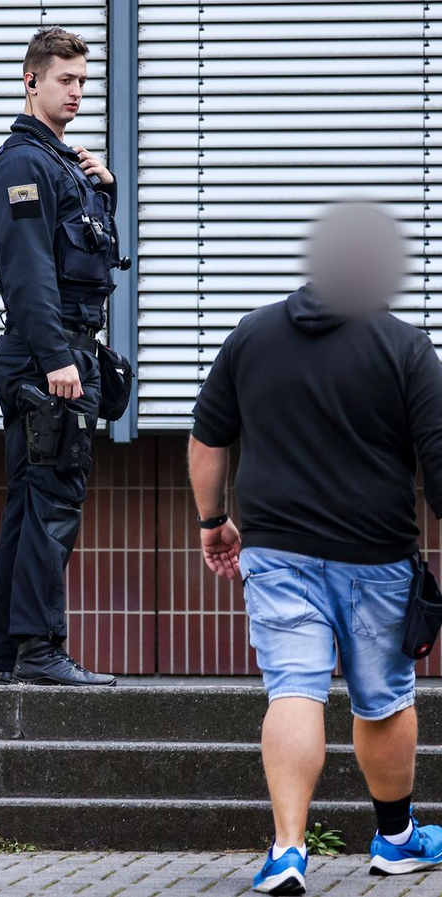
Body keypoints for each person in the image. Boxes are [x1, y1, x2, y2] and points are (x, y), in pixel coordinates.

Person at [189, 203, 442, 894]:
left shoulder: (253, 335)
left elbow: (208, 437)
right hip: (379, 557)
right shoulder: (405, 347)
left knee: (294, 688)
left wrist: (214, 520)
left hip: (278, 553)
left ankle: (289, 851)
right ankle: (395, 839)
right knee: (382, 698)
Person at [0, 26, 128, 687]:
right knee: (53, 503)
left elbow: (91, 258)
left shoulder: (65, 163)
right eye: (64, 79)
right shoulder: (23, 164)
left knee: (34, 501)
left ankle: (17, 653)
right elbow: (28, 272)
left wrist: (107, 191)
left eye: (82, 80)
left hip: (66, 346)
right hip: (49, 353)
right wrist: (54, 357)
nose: (76, 91)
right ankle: (40, 649)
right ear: (31, 79)